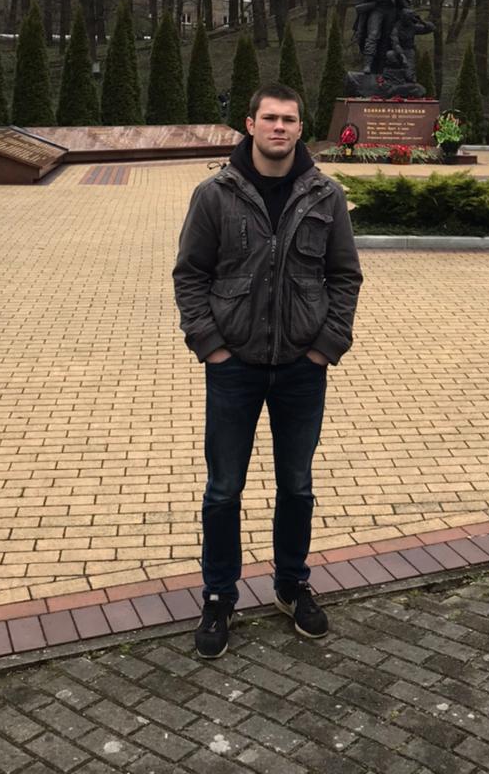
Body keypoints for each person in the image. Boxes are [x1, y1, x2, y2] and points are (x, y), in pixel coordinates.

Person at [173, 82, 363, 659]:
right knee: (223, 489)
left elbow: (344, 277)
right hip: (234, 368)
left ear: (301, 128)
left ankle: (291, 584)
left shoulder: (325, 195)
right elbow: (190, 275)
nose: (280, 127)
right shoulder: (215, 194)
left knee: (297, 485)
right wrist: (211, 346)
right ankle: (219, 595)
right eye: (270, 118)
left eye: (290, 119)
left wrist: (325, 347)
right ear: (250, 124)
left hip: (302, 369)